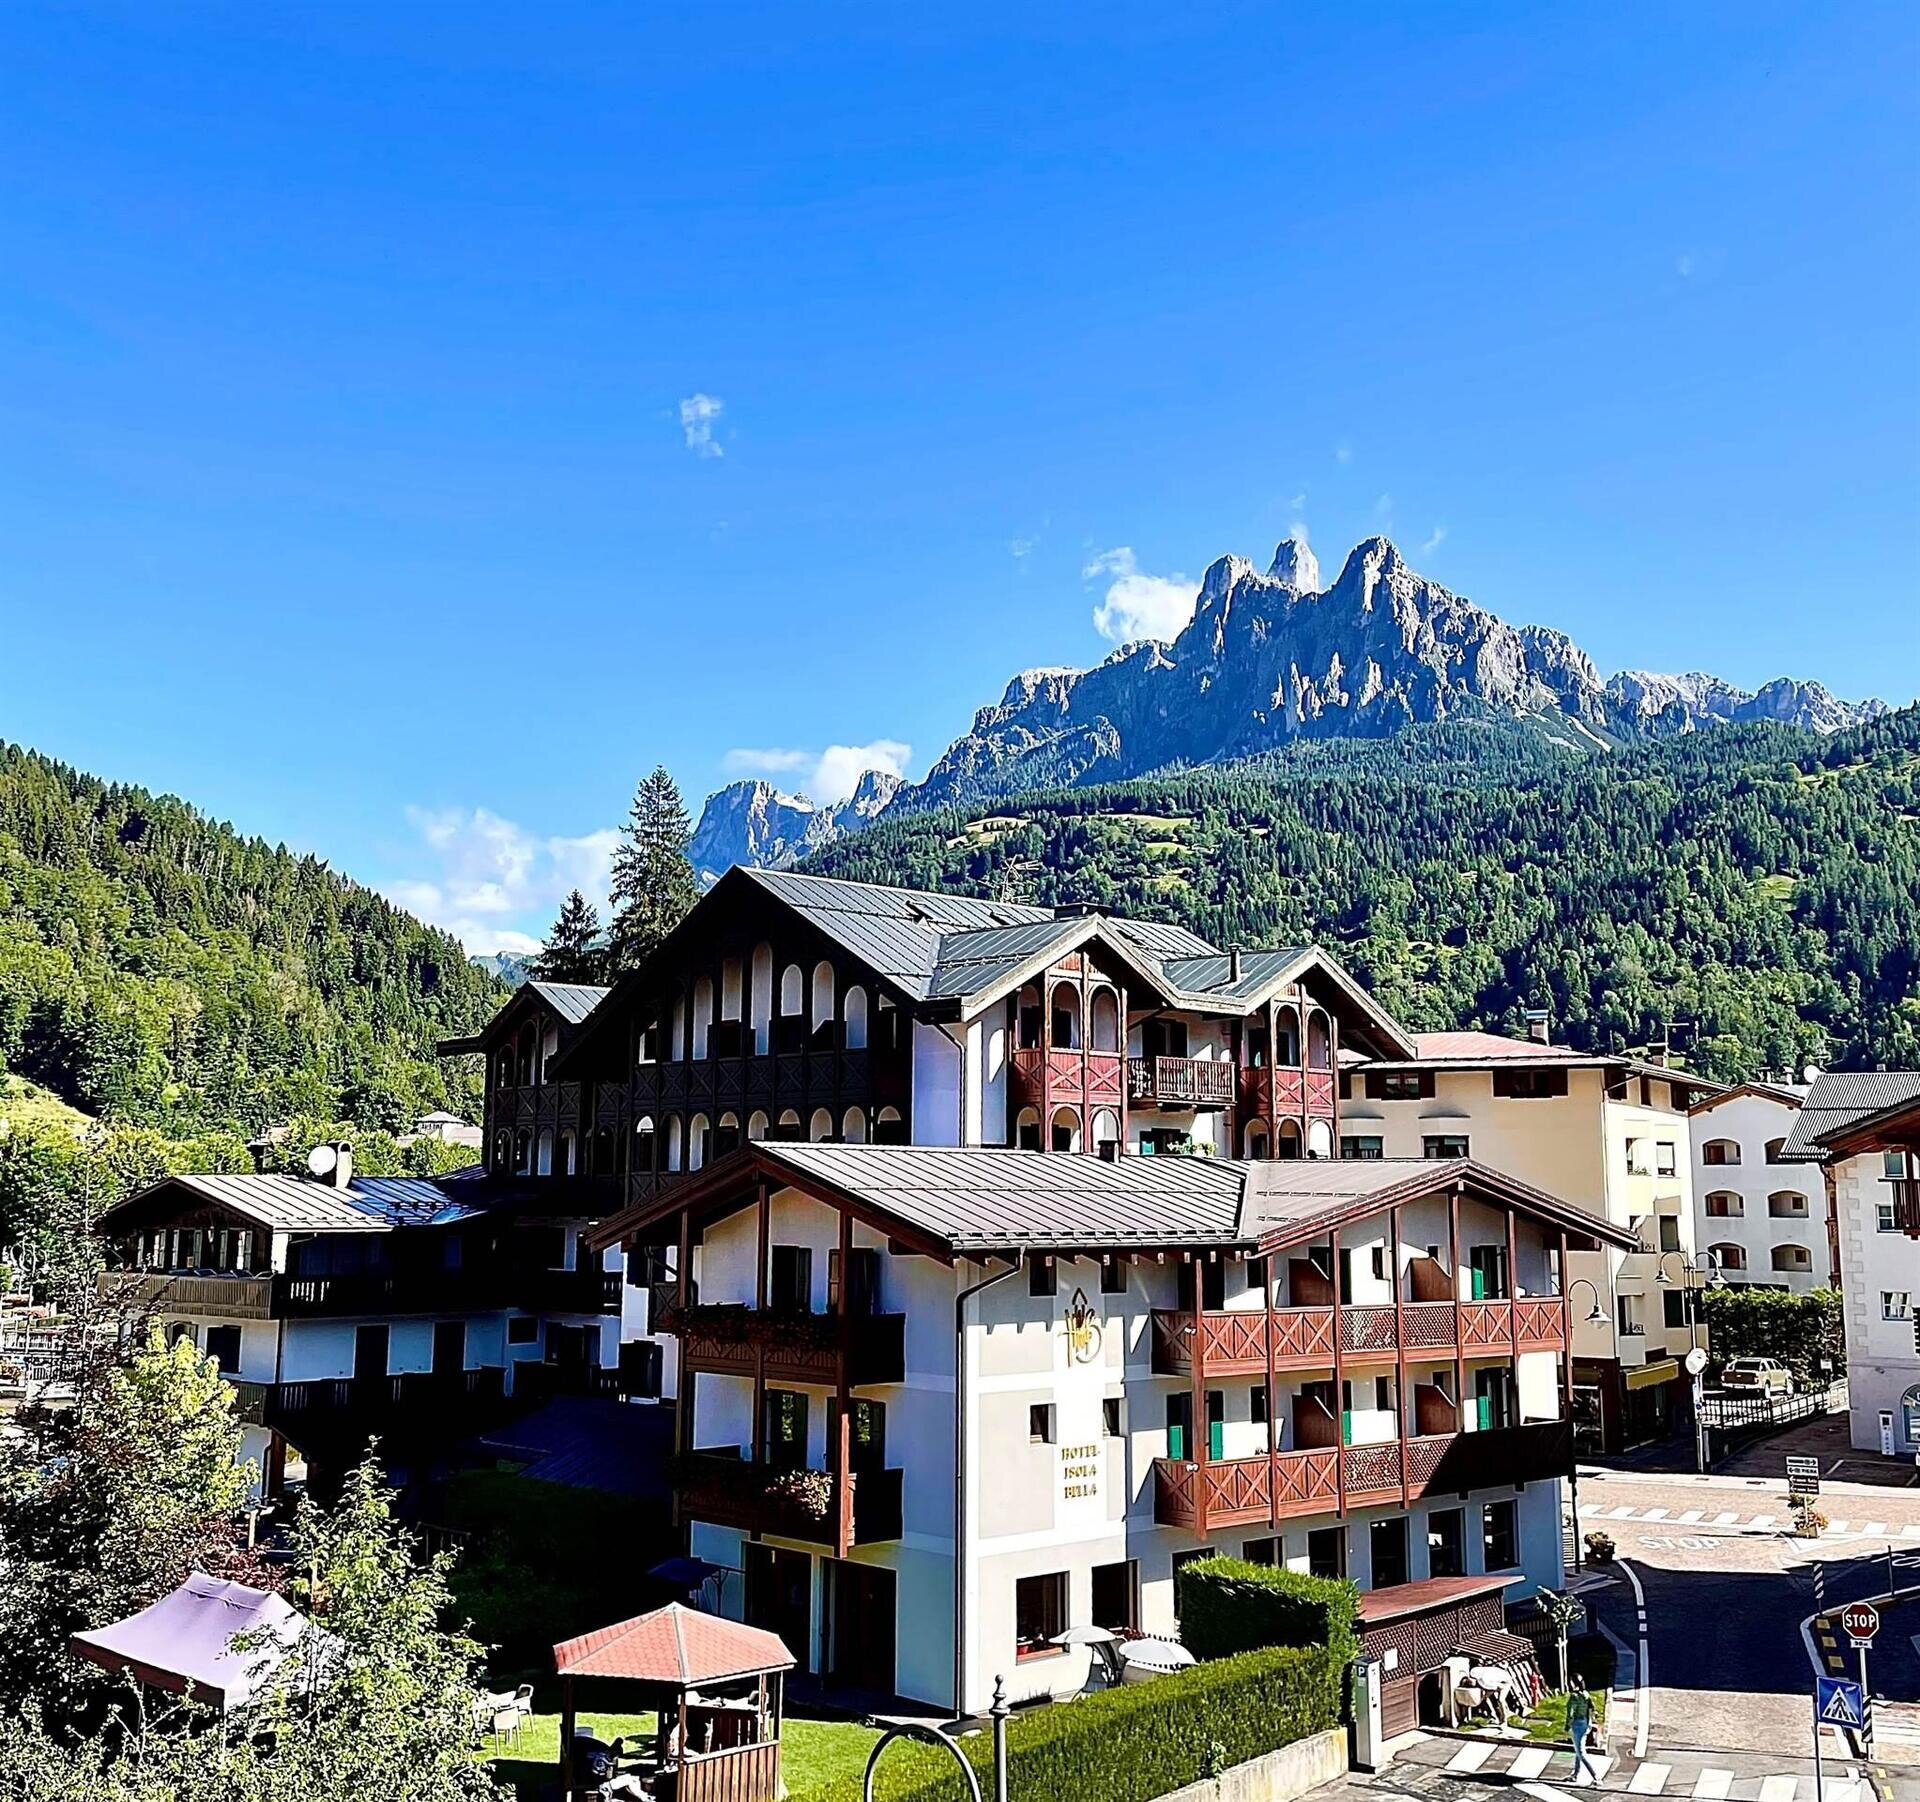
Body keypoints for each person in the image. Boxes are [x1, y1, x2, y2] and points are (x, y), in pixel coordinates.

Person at [1567, 1676, 1599, 1785]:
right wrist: (1590, 1723)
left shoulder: (1574, 1697)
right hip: (1585, 1723)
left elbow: (1570, 1713)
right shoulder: (1586, 1694)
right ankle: (1575, 1774)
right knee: (1578, 1750)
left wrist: (1567, 1725)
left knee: (1581, 1752)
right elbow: (1591, 1708)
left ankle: (1596, 1776)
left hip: (1576, 1725)